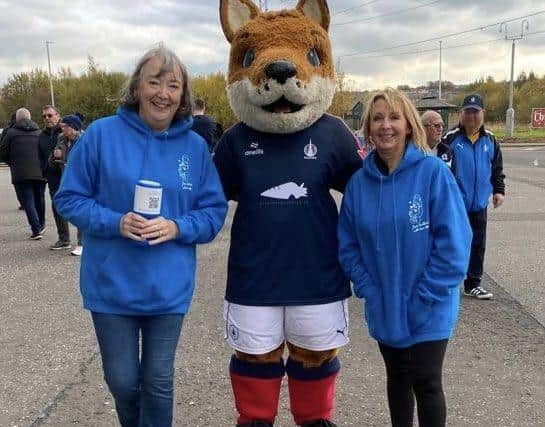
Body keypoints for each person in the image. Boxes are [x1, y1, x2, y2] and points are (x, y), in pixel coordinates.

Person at [54, 45, 228, 427]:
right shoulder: (101, 135)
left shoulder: (195, 148)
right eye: (154, 82)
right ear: (136, 88)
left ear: (183, 96)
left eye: (173, 85)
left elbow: (214, 212)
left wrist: (178, 226)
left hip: (168, 288)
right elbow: (68, 198)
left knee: (159, 381)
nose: (162, 93)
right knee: (123, 382)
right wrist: (116, 222)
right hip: (111, 286)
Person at [338, 88, 472, 427]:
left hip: (430, 303)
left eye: (394, 117)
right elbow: (348, 244)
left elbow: (454, 244)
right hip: (385, 304)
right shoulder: (358, 185)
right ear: (367, 128)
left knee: (426, 381)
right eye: (378, 118)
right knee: (397, 378)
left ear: (409, 125)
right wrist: (368, 287)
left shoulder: (433, 173)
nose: (386, 126)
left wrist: (426, 293)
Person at [438, 94, 506, 300]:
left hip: (479, 204)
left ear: (483, 114)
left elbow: (497, 169)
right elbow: (442, 172)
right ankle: (446, 282)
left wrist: (498, 190)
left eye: (475, 112)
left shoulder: (491, 140)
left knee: (478, 243)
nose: (472, 116)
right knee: (452, 243)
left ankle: (473, 283)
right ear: (461, 114)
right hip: (455, 205)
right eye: (467, 112)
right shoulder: (450, 139)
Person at [0, 108, 46, 239]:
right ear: (30, 118)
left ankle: (36, 229)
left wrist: (12, 162)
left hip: (20, 172)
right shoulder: (39, 132)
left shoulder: (11, 134)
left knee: (28, 201)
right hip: (40, 171)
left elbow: (2, 152)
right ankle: (41, 224)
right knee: (40, 198)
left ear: (17, 119)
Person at [49, 114, 84, 255]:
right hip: (66, 180)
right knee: (60, 206)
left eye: (65, 126)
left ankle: (82, 243)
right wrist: (54, 157)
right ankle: (64, 240)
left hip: (82, 181)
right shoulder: (61, 139)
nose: (62, 128)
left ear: (74, 127)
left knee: (81, 210)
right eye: (62, 126)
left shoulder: (84, 140)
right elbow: (52, 163)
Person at [38, 105, 71, 249]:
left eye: (50, 115)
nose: (47, 119)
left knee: (79, 206)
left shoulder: (66, 131)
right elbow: (40, 155)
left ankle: (83, 242)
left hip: (69, 176)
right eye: (44, 116)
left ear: (58, 115)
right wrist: (44, 170)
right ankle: (64, 239)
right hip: (52, 178)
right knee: (57, 208)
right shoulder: (42, 135)